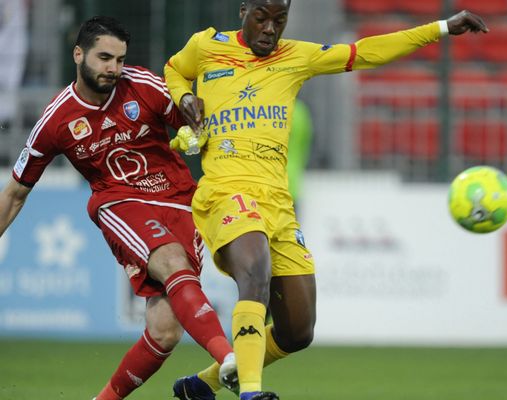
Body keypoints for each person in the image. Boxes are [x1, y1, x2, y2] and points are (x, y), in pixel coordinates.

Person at [164, 2, 488, 399]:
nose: (270, 29)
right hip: (225, 191)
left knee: (298, 330)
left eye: (279, 21)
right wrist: (183, 98)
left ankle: (201, 385)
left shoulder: (297, 56)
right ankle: (250, 393)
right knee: (255, 274)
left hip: (278, 203)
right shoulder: (207, 46)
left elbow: (365, 52)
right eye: (261, 18)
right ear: (243, 10)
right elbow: (174, 69)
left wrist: (439, 28)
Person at [0, 16, 237, 400]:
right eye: (104, 57)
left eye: (120, 59)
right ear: (78, 54)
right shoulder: (57, 119)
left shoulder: (142, 85)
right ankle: (229, 360)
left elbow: (190, 118)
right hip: (119, 202)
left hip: (178, 200)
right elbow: (14, 194)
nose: (113, 68)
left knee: (165, 330)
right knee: (173, 260)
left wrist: (194, 122)